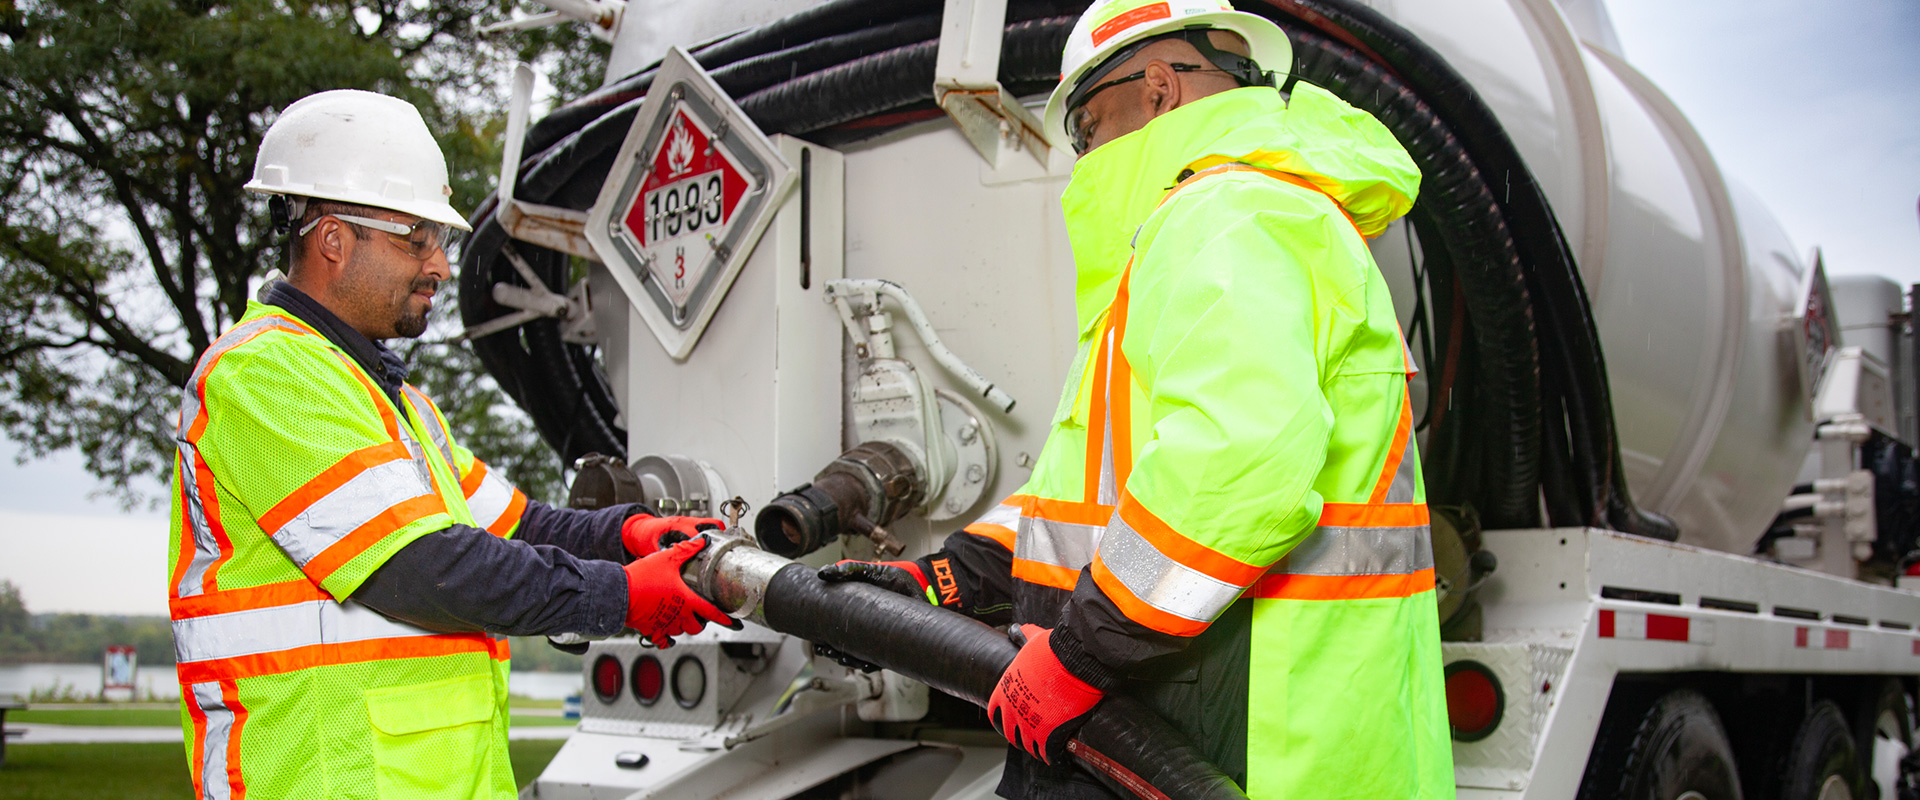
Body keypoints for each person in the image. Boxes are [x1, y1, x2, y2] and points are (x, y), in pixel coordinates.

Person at [819, 2, 1451, 796]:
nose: (1082, 155)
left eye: (1086, 124)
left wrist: (1086, 652)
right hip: (1221, 708)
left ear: (1156, 88)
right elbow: (1092, 503)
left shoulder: (1222, 216)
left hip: (1243, 727)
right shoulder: (1230, 221)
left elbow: (1240, 465)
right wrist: (941, 581)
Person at [167, 89, 733, 800]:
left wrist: (631, 534)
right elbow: (419, 568)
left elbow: (519, 527)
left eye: (440, 240)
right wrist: (620, 597)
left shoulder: (397, 406)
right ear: (334, 240)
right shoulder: (263, 373)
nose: (438, 264)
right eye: (416, 238)